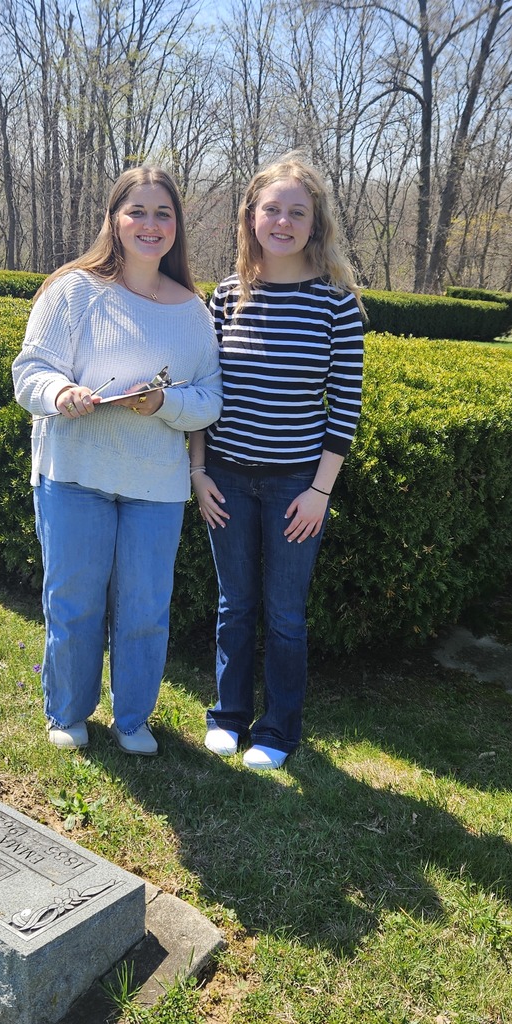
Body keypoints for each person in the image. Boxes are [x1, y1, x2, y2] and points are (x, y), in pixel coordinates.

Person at [13, 166, 222, 754]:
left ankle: (133, 719)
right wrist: (61, 394)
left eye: (163, 213)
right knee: (74, 602)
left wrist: (164, 402)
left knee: (145, 610)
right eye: (137, 211)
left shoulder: (192, 311)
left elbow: (210, 399)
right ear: (114, 219)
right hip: (75, 472)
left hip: (155, 485)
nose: (150, 224)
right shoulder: (73, 291)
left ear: (177, 226)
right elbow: (30, 370)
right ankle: (69, 712)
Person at [189, 153, 364, 770]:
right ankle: (228, 717)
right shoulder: (228, 295)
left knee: (285, 615)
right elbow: (205, 391)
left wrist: (320, 491)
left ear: (315, 223)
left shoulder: (336, 303)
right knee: (234, 605)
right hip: (227, 480)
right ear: (251, 216)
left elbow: (346, 404)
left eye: (297, 211)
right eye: (272, 210)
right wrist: (198, 471)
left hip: (296, 485)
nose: (283, 222)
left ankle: (277, 730)